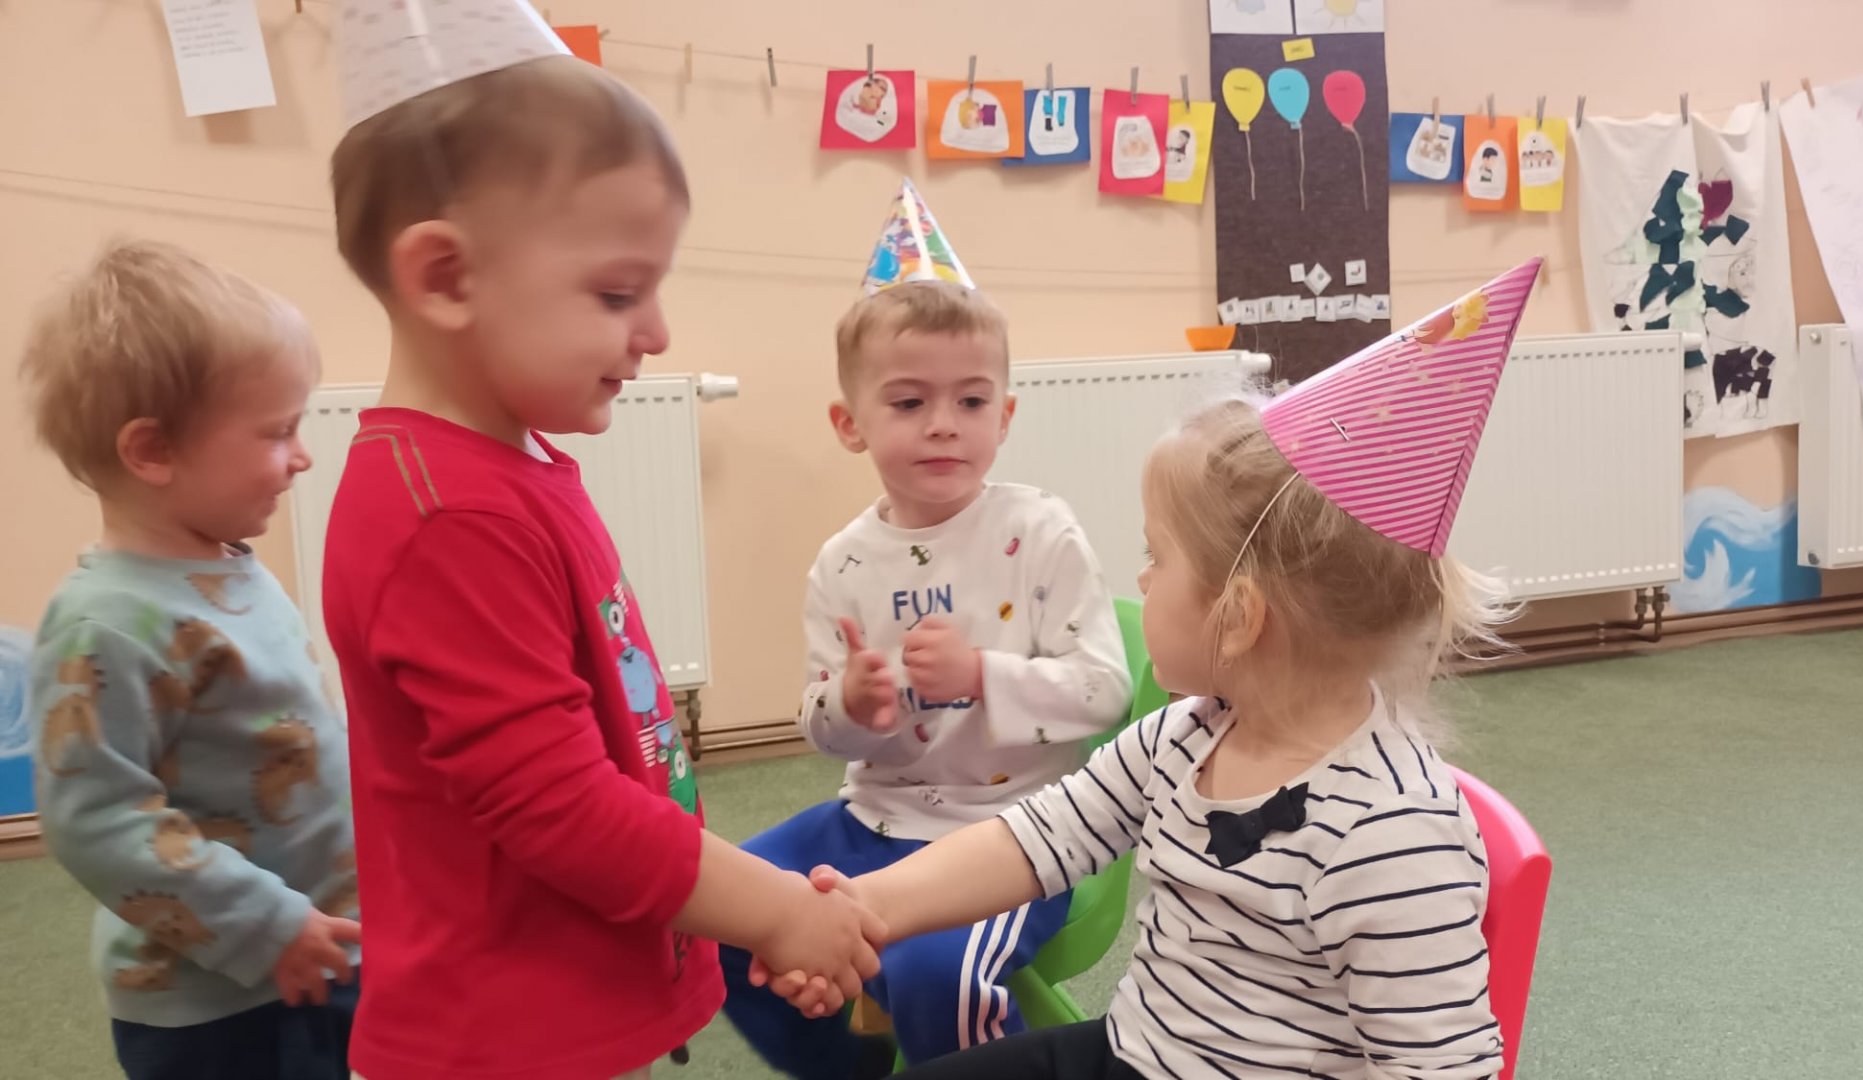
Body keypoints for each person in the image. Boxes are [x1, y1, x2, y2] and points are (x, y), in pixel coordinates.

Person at [766, 262, 1547, 1080]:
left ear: (1240, 617)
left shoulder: (1391, 832)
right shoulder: (1188, 732)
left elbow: (1441, 1068)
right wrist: (868, 906)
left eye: (1157, 557)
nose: (1140, 581)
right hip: (1137, 1051)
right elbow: (1036, 840)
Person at [321, 6, 882, 1078]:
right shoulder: (447, 515)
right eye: (620, 291)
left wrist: (745, 910)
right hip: (499, 1038)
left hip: (548, 1007)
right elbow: (560, 805)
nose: (657, 331)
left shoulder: (498, 471)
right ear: (444, 277)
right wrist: (772, 910)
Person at [719, 182, 1131, 1078]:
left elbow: (1106, 691)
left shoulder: (1040, 532)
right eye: (908, 403)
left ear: (1005, 416)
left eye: (972, 402)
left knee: (932, 974)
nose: (944, 425)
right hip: (872, 818)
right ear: (850, 424)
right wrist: (851, 706)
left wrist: (983, 676)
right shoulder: (844, 563)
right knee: (725, 914)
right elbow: (818, 724)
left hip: (1015, 837)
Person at [19, 239, 359, 1080]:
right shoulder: (103, 624)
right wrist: (264, 925)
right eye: (278, 432)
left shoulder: (228, 566)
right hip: (225, 1000)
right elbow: (98, 820)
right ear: (153, 451)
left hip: (315, 948)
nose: (303, 455)